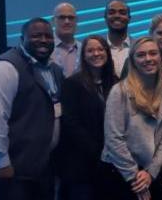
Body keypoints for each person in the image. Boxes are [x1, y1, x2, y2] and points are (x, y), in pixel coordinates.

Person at [0, 18, 63, 200]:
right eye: (36, 36)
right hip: (6, 169)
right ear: (21, 39)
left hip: (35, 166)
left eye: (48, 36)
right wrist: (0, 162)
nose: (43, 40)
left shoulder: (54, 70)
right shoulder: (3, 68)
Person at [101, 37, 162, 200]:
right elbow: (114, 138)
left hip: (149, 173)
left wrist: (151, 172)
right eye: (141, 55)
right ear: (132, 60)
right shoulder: (119, 91)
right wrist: (134, 177)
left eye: (153, 53)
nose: (148, 59)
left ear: (160, 57)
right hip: (121, 172)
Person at [58, 35, 119, 200]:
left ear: (107, 53)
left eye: (100, 49)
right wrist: (97, 150)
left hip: (110, 162)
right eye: (90, 50)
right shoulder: (72, 84)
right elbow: (71, 123)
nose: (96, 53)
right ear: (83, 55)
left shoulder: (115, 82)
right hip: (81, 164)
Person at [52, 2, 81, 77]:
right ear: (53, 21)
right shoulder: (45, 49)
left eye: (71, 18)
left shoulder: (83, 49)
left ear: (76, 21)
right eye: (62, 17)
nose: (67, 21)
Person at [105, 0, 132, 77]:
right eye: (111, 12)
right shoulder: (97, 50)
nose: (117, 16)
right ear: (105, 18)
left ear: (129, 18)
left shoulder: (140, 47)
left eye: (122, 13)